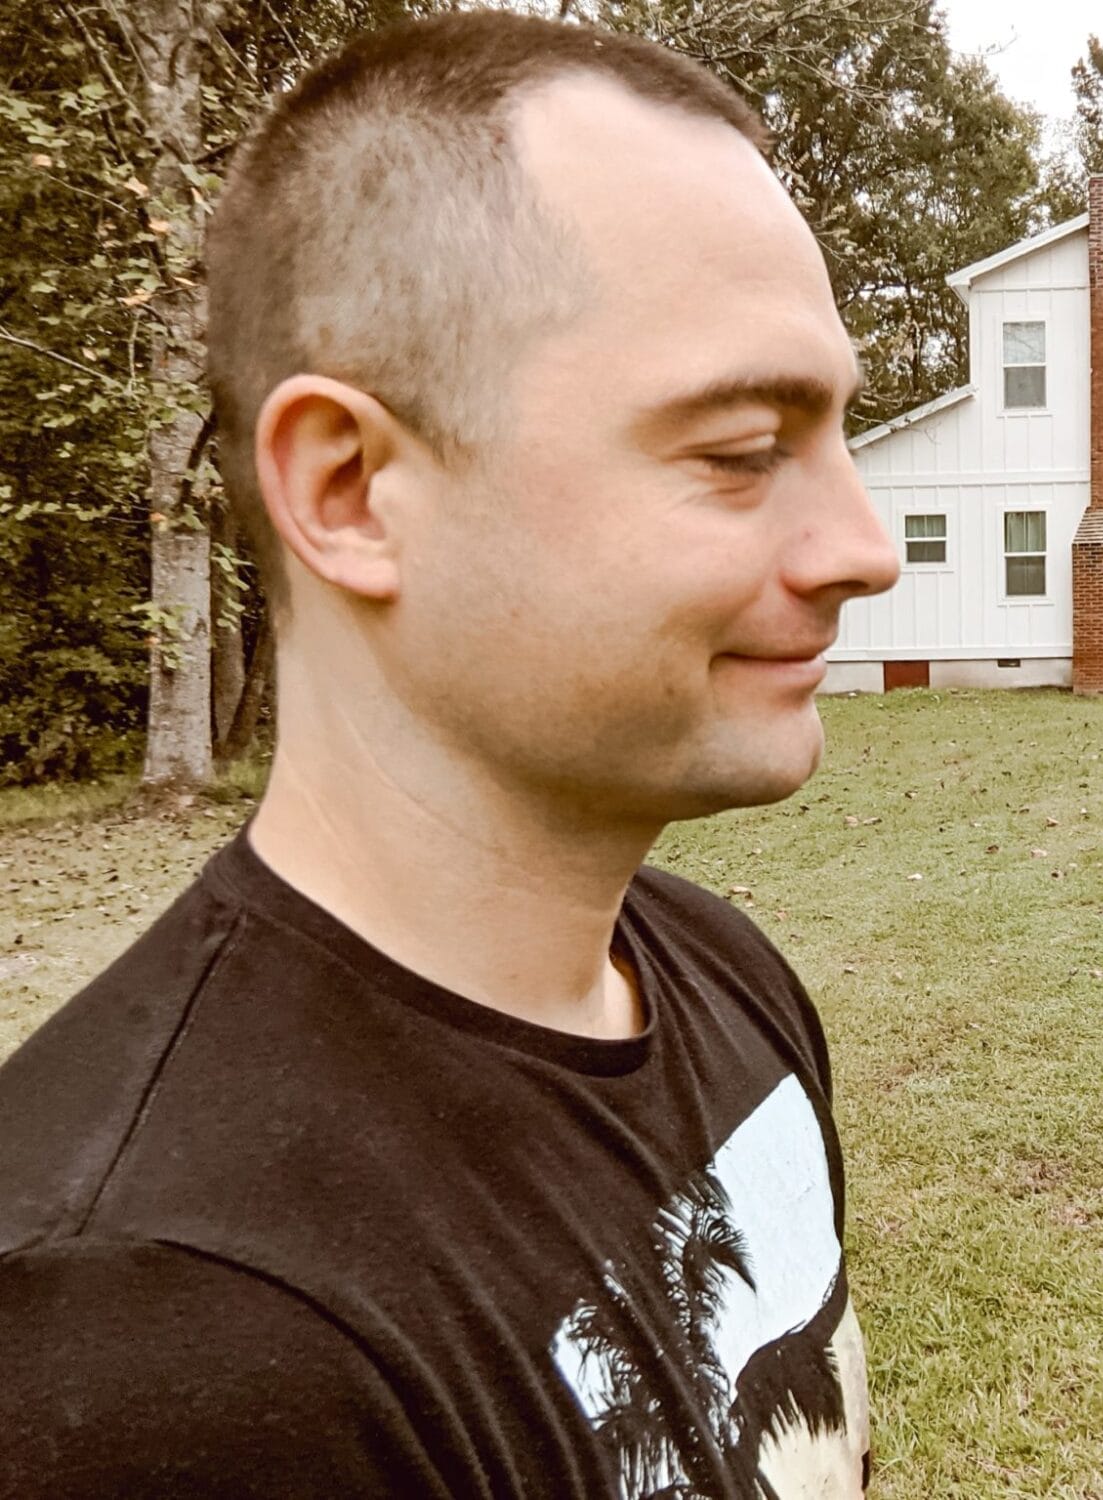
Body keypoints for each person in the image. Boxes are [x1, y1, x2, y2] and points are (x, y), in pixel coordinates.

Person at [0, 12, 898, 1498]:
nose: (861, 546)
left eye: (839, 434)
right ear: (350, 490)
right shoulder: (144, 1343)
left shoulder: (725, 981)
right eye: (742, 451)